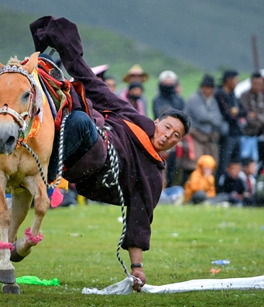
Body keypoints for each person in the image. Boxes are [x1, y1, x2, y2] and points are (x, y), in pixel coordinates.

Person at [30, 16, 190, 292]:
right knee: (60, 107)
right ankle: (25, 167)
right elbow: (94, 85)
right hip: (82, 140)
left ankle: (47, 181)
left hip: (98, 170)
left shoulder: (153, 173)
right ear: (158, 121)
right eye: (167, 128)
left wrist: (137, 267)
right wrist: (66, 48)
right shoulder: (132, 116)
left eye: (175, 137)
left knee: (79, 120)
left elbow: (139, 217)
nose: (167, 136)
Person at [183, 74, 223, 176]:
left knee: (210, 165)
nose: (209, 90)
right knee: (194, 165)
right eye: (207, 87)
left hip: (207, 137)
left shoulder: (212, 100)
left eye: (211, 88)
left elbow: (219, 118)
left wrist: (211, 118)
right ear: (202, 87)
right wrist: (212, 117)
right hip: (195, 135)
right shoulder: (194, 98)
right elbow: (202, 116)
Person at [215, 70, 245, 179]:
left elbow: (243, 111)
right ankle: (221, 187)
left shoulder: (232, 94)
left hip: (236, 132)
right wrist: (236, 113)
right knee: (224, 163)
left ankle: (232, 188)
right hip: (226, 134)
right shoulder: (220, 94)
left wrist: (237, 113)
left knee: (236, 162)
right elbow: (228, 114)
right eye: (236, 79)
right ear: (228, 80)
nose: (237, 82)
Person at [239, 72, 264, 162]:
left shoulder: (261, 97)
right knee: (244, 160)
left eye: (259, 84)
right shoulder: (244, 96)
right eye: (255, 84)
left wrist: (256, 116)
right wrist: (258, 119)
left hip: (255, 135)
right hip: (245, 134)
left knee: (254, 161)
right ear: (251, 83)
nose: (257, 86)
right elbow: (246, 116)